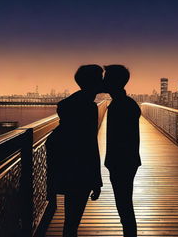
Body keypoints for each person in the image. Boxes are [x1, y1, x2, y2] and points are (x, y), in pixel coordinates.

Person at [46, 64, 103, 237]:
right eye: (100, 78)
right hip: (81, 170)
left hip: (66, 166)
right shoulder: (89, 107)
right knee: (72, 220)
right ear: (93, 82)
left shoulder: (69, 104)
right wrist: (96, 179)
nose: (103, 81)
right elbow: (89, 145)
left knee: (70, 219)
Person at [103, 64, 141, 237]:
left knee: (124, 204)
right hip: (126, 161)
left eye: (106, 78)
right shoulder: (126, 103)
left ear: (113, 81)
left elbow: (120, 139)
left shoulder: (121, 105)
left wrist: (111, 162)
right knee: (124, 203)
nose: (103, 81)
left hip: (121, 162)